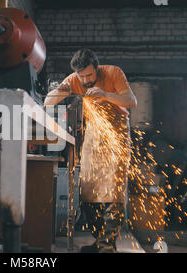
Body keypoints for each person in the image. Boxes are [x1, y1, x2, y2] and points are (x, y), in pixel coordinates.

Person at [44, 48, 137, 253]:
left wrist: (105, 94)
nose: (85, 80)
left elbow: (132, 101)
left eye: (89, 75)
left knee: (113, 193)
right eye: (81, 76)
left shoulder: (113, 73)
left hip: (117, 135)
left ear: (97, 67)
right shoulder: (75, 79)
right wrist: (62, 89)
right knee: (88, 191)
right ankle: (99, 239)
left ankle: (107, 246)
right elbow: (47, 101)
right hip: (93, 136)